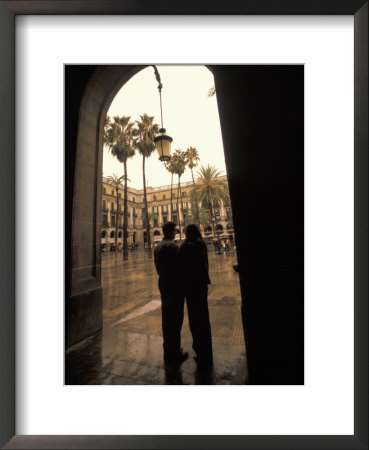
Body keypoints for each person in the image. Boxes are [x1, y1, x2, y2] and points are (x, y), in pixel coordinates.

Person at [178, 224, 213, 372]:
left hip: (191, 287)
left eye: (186, 232)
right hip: (201, 285)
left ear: (188, 234)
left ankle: (200, 352)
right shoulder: (202, 244)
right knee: (204, 318)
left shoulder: (188, 247)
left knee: (195, 319)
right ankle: (207, 353)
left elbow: (180, 264)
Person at [154, 221, 188, 368]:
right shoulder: (172, 247)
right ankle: (174, 352)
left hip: (163, 282)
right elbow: (179, 266)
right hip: (174, 285)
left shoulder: (158, 247)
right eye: (175, 230)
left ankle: (168, 350)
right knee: (175, 318)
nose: (176, 232)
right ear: (171, 232)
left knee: (167, 318)